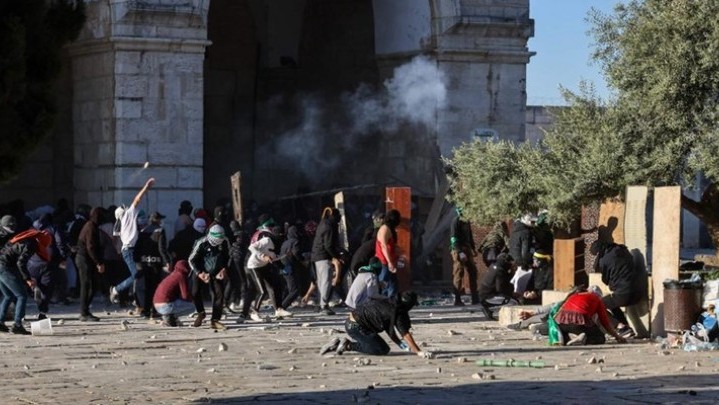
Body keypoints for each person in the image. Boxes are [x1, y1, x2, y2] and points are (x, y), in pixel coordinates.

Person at [319, 291, 432, 358]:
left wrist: (399, 343)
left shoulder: (391, 302)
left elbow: (389, 326)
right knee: (380, 349)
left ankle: (340, 343)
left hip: (351, 321)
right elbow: (405, 334)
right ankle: (347, 345)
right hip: (355, 326)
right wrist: (418, 352)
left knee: (381, 346)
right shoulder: (398, 312)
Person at [514, 285, 627, 346]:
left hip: (560, 323)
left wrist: (532, 313)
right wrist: (617, 337)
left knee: (565, 337)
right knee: (599, 338)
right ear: (598, 296)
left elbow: (554, 306)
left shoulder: (573, 295)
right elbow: (605, 322)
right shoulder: (596, 300)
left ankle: (567, 337)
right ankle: (584, 339)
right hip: (579, 321)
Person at [110, 177, 155, 304]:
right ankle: (116, 290)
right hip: (130, 251)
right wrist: (146, 187)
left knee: (139, 275)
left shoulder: (122, 223)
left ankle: (136, 297)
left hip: (130, 250)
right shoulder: (128, 215)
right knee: (137, 275)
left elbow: (116, 240)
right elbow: (137, 199)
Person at [0, 229, 52, 334]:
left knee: (8, 295)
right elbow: (21, 263)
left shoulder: (25, 239)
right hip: (5, 268)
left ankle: (0, 322)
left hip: (2, 265)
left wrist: (25, 277)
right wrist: (27, 279)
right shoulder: (32, 244)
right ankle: (17, 325)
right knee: (21, 295)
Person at [590, 240, 645, 338]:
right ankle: (626, 329)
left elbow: (605, 280)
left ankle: (621, 327)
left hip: (624, 294)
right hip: (639, 292)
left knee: (598, 305)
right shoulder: (623, 250)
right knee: (612, 304)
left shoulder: (604, 260)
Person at [245, 218, 291, 321]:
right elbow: (251, 248)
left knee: (275, 286)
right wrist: (263, 256)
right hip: (254, 266)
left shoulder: (277, 245)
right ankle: (254, 312)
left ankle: (278, 309)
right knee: (262, 291)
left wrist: (284, 257)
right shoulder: (267, 240)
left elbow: (274, 258)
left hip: (263, 266)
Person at [188, 224, 230, 330]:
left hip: (217, 270)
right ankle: (201, 313)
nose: (218, 242)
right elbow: (191, 260)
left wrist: (224, 269)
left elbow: (228, 257)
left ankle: (215, 320)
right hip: (200, 269)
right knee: (195, 292)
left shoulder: (225, 241)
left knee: (219, 294)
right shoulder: (201, 243)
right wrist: (199, 273)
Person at [133, 211, 171, 319]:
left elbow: (137, 247)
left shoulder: (143, 230)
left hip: (145, 262)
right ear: (157, 220)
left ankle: (145, 310)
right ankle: (154, 311)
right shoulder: (160, 230)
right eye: (160, 219)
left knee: (147, 288)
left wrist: (137, 259)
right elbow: (161, 248)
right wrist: (167, 261)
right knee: (155, 288)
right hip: (156, 263)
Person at [75, 207, 107, 321]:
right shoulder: (90, 227)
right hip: (84, 259)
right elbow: (90, 247)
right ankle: (84, 312)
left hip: (87, 260)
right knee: (86, 285)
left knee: (92, 285)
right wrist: (98, 262)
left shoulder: (92, 226)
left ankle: (85, 310)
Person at [311, 207, 343, 315]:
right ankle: (323, 306)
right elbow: (328, 245)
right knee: (325, 281)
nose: (339, 218)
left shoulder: (323, 223)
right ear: (333, 216)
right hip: (323, 256)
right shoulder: (328, 226)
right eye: (338, 216)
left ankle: (320, 304)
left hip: (317, 256)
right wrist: (336, 256)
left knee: (321, 282)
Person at [449, 207, 478, 306]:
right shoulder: (455, 221)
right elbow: (453, 238)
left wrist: (473, 248)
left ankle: (475, 298)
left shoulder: (467, 221)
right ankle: (457, 299)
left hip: (467, 248)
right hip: (458, 249)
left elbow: (470, 236)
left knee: (473, 271)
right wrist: (459, 252)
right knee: (458, 273)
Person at [477, 253, 517, 320]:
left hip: (483, 295)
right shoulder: (500, 271)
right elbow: (500, 289)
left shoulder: (493, 266)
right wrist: (511, 294)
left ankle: (488, 308)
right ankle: (490, 309)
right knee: (513, 302)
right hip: (488, 297)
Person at [153, 260, 193, 327]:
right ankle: (169, 316)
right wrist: (193, 298)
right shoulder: (181, 276)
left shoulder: (172, 275)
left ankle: (170, 317)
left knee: (176, 300)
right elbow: (185, 295)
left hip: (156, 305)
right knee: (192, 307)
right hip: (165, 306)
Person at [375, 209, 401, 298]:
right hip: (383, 262)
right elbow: (384, 247)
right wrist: (389, 262)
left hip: (389, 261)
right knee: (384, 284)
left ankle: (392, 304)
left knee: (393, 284)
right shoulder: (385, 229)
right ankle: (383, 304)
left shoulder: (389, 229)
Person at [508, 214, 535, 294]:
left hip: (513, 258)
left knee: (517, 283)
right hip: (521, 261)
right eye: (532, 222)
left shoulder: (515, 230)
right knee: (523, 284)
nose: (534, 224)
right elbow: (525, 250)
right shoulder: (526, 232)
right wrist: (526, 263)